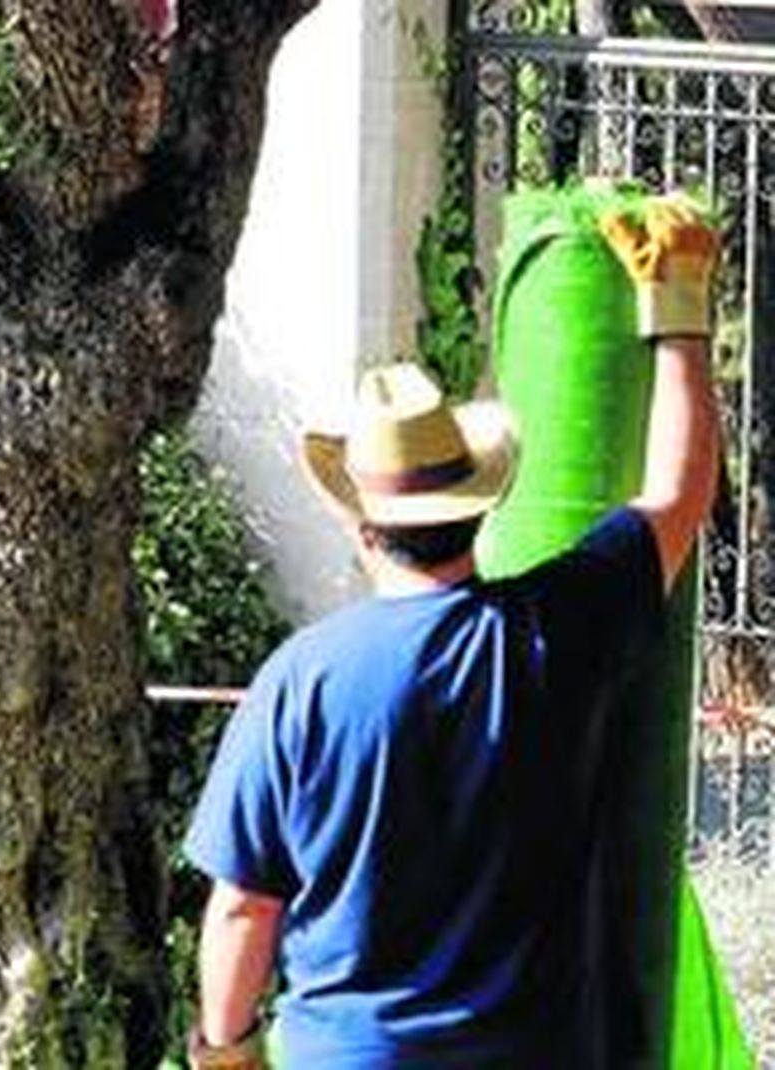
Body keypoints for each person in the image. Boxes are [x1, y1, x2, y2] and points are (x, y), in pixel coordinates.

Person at [183, 197, 721, 1068]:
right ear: (477, 508)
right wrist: (681, 307)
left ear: (362, 524)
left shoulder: (299, 684)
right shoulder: (559, 632)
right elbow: (680, 492)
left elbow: (245, 906)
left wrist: (225, 1051)